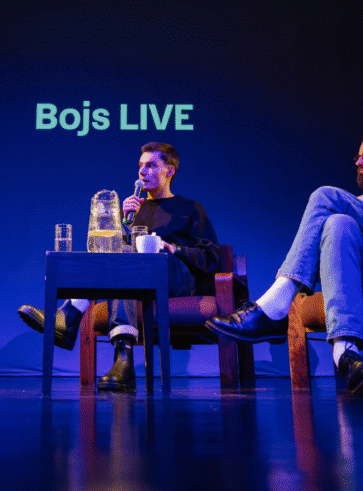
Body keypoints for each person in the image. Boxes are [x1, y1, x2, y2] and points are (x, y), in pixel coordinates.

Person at [206, 131, 363, 396]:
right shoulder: (358, 204)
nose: (358, 162)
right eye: (357, 157)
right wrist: (362, 220)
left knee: (326, 195)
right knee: (338, 223)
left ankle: (275, 305)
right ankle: (346, 354)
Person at [17, 142, 220, 391]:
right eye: (140, 165)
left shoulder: (190, 208)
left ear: (169, 171)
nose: (142, 171)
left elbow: (211, 256)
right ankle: (122, 360)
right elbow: (122, 250)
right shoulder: (137, 210)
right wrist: (123, 223)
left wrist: (173, 248)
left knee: (128, 261)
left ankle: (69, 316)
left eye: (151, 165)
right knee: (121, 259)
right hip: (139, 279)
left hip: (176, 280)